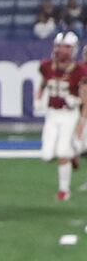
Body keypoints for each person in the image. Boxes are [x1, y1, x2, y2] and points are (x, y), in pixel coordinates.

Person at [36, 32, 86, 201]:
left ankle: (64, 190)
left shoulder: (80, 71)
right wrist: (38, 98)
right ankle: (74, 153)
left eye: (65, 47)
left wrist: (77, 104)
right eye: (59, 46)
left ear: (73, 49)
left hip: (69, 114)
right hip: (52, 114)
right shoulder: (46, 66)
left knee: (63, 151)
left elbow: (85, 98)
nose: (60, 50)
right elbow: (43, 83)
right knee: (47, 156)